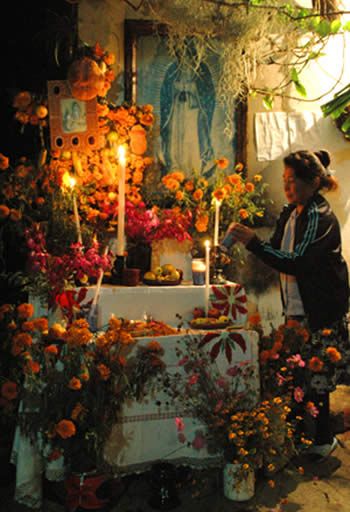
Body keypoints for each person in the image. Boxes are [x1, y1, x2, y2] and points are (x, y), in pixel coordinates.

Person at [229, 149, 349, 458]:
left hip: (320, 309)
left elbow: (296, 261)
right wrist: (250, 242)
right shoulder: (293, 212)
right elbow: (278, 251)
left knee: (318, 374)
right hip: (296, 304)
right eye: (284, 179)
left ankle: (322, 440)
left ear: (313, 182)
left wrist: (252, 242)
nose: (287, 186)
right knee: (298, 371)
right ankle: (299, 434)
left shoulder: (319, 217)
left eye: (293, 180)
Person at [160, 46, 215, 177]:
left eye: (187, 54)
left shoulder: (202, 69)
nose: (184, 57)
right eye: (181, 54)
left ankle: (193, 170)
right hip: (177, 110)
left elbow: (207, 92)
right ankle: (175, 168)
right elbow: (166, 91)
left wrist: (190, 88)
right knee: (176, 138)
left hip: (194, 111)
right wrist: (177, 89)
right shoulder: (172, 69)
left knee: (191, 138)